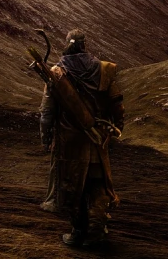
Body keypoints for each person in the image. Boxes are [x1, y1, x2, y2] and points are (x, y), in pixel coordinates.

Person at [39, 29, 125, 247]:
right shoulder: (103, 70)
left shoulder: (57, 74)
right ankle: (96, 232)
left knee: (71, 188)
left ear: (67, 44)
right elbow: (116, 104)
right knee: (97, 186)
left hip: (70, 145)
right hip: (97, 141)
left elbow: (47, 112)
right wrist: (117, 127)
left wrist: (45, 137)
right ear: (85, 45)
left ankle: (78, 233)